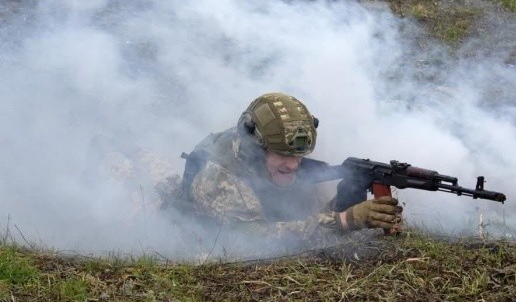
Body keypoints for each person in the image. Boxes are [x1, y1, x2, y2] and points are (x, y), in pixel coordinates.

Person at [164, 92, 402, 254]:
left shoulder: (267, 155)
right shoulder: (221, 178)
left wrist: (349, 195)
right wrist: (346, 220)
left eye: (298, 155)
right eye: (282, 155)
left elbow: (303, 216)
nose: (293, 165)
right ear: (254, 149)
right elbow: (256, 242)